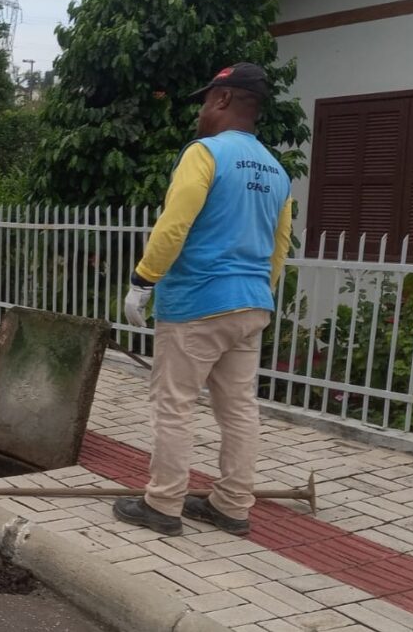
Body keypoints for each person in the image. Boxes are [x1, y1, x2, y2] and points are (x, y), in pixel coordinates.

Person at [115, 63, 292, 538]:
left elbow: (175, 225)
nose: (200, 110)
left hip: (197, 302)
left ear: (222, 100)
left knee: (174, 404)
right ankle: (232, 506)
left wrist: (143, 280)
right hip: (252, 304)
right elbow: (280, 247)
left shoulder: (204, 154)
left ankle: (164, 503)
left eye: (204, 100)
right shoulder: (277, 171)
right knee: (238, 407)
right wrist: (258, 295)